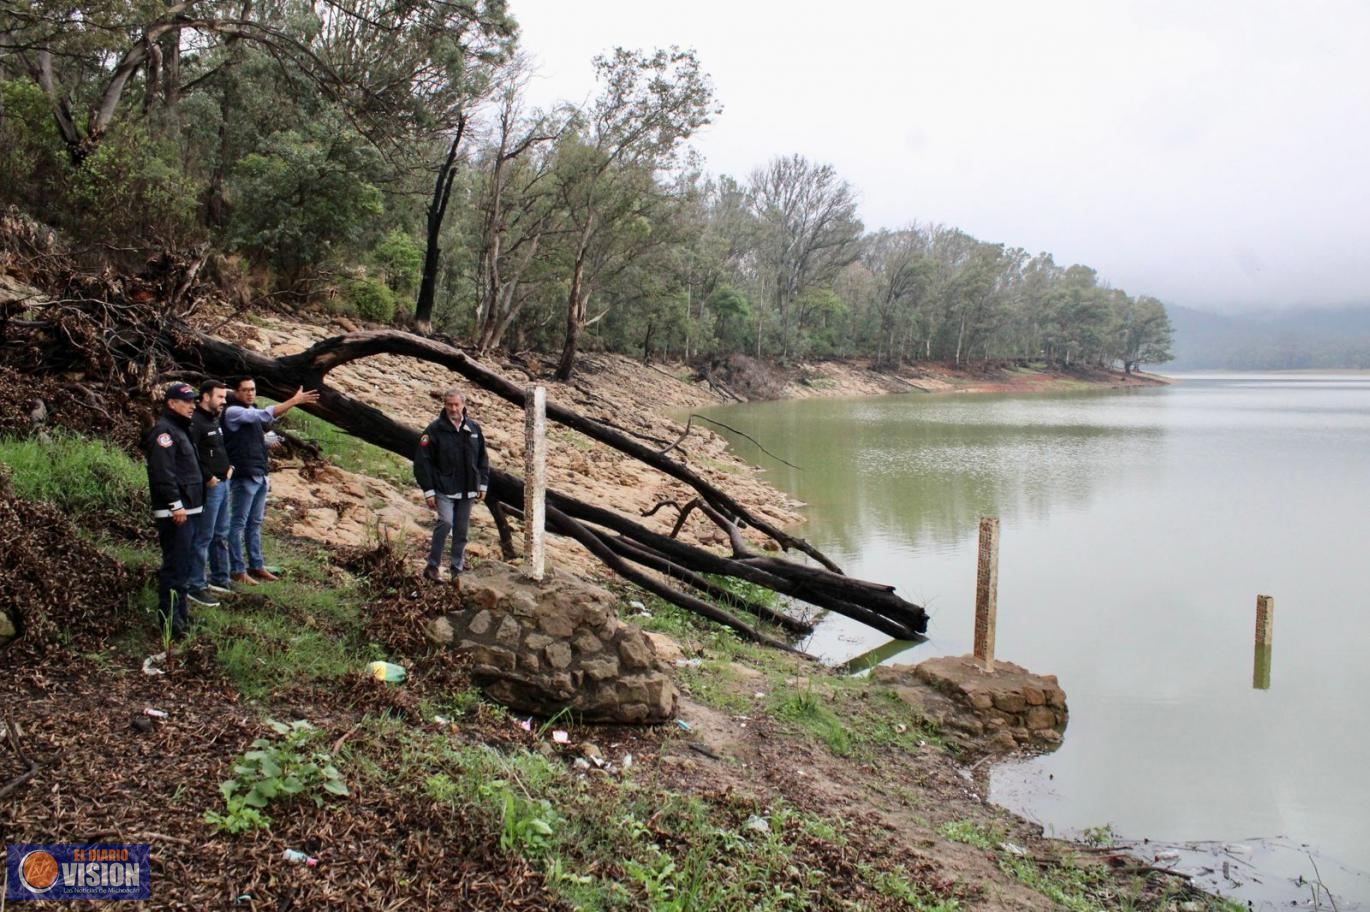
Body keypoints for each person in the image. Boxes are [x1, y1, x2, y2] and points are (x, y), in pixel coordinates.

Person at [223, 378, 319, 585]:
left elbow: (264, 423)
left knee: (254, 523)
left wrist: (265, 441)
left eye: (253, 389)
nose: (250, 393)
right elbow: (266, 414)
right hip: (244, 474)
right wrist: (294, 401)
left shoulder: (250, 413)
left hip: (259, 472)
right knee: (238, 523)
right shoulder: (233, 411)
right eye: (245, 390)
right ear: (236, 392)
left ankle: (256, 565)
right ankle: (237, 569)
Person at [143, 382, 205, 639]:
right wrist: (175, 504)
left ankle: (182, 616)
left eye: (194, 401)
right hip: (175, 513)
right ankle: (169, 621)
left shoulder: (181, 429)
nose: (192, 405)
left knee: (185, 567)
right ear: (171, 403)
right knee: (175, 567)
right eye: (187, 401)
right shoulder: (163, 432)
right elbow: (163, 473)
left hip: (190, 509)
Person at [413, 387, 490, 590]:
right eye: (449, 404)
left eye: (456, 404)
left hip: (468, 489)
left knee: (462, 531)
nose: (453, 408)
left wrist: (483, 484)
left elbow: (483, 458)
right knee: (445, 523)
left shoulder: (474, 428)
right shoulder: (434, 430)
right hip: (443, 488)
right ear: (444, 405)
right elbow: (422, 461)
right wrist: (428, 490)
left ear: (463, 405)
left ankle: (457, 569)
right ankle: (432, 567)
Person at [186, 380, 233, 607]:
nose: (224, 401)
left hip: (224, 483)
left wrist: (229, 467)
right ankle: (195, 584)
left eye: (224, 397)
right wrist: (208, 477)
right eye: (220, 397)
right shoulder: (195, 422)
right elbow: (191, 454)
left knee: (220, 532)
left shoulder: (214, 419)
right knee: (203, 536)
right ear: (205, 397)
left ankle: (218, 578)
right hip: (210, 487)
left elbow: (218, 449)